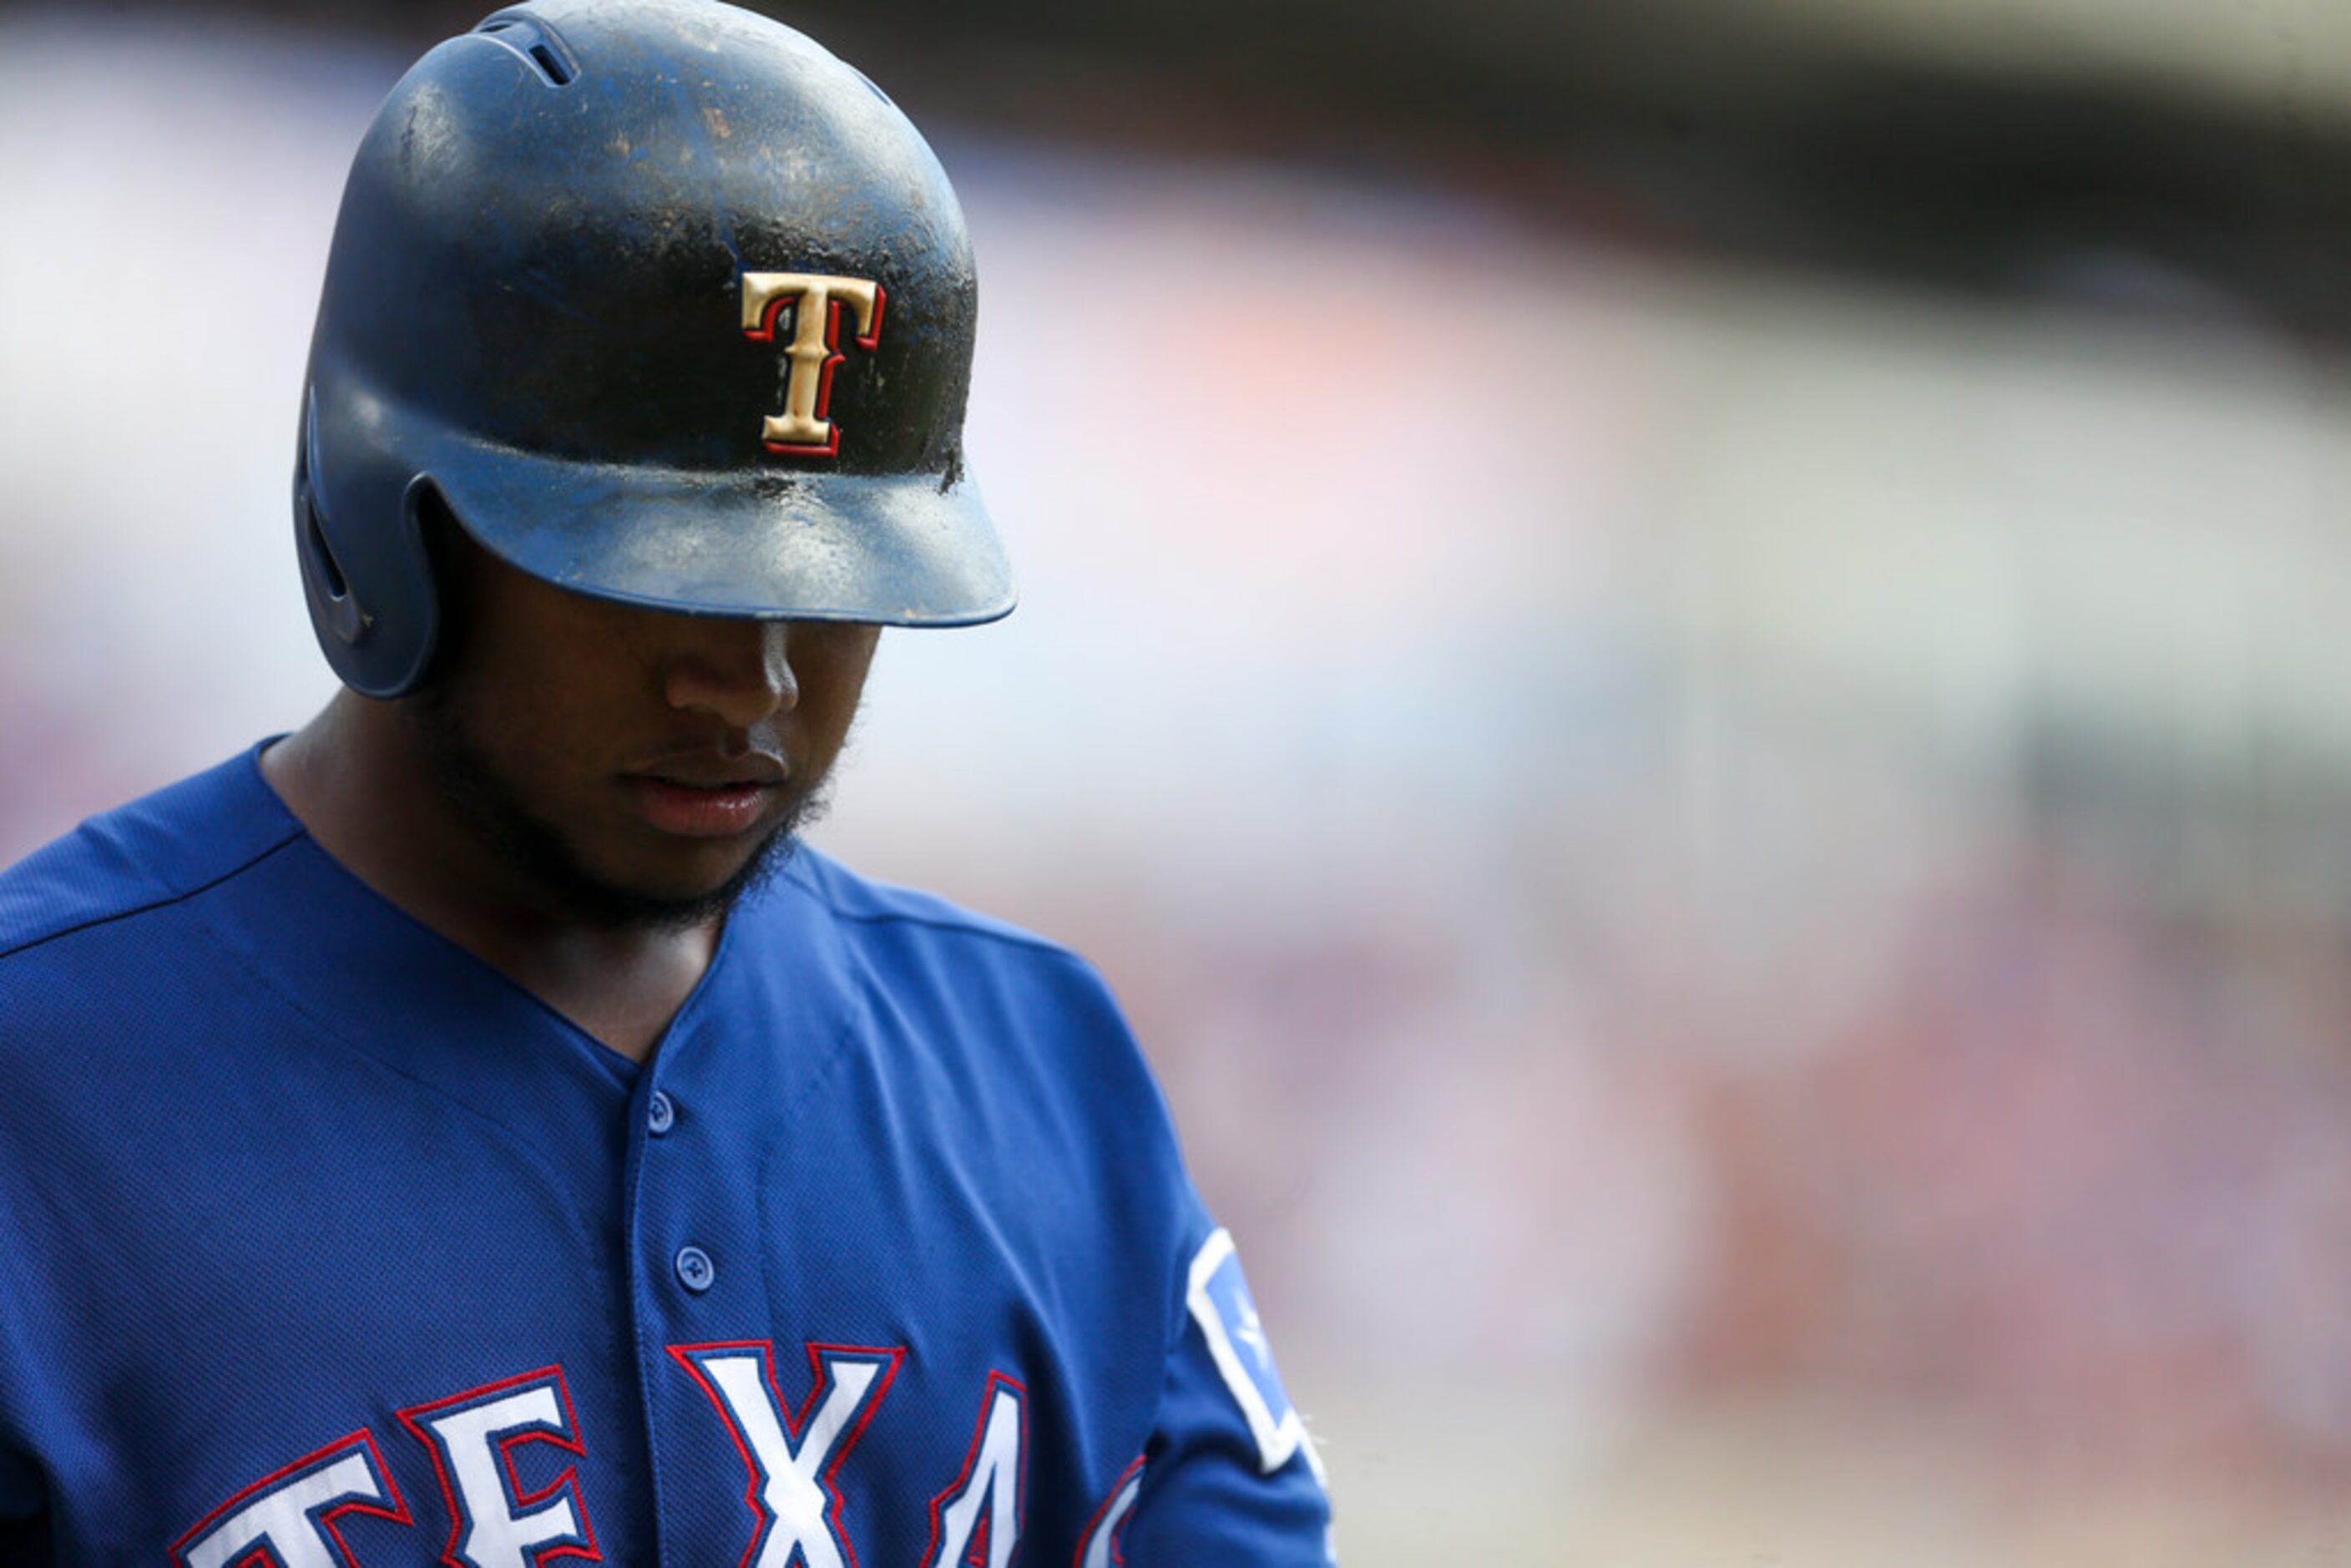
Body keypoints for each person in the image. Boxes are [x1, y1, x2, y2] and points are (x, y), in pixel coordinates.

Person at [0, 2, 1335, 1561]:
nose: (754, 679)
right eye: (659, 577)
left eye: (834, 583)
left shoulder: (1046, 1079)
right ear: (395, 514)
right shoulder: (42, 1091)